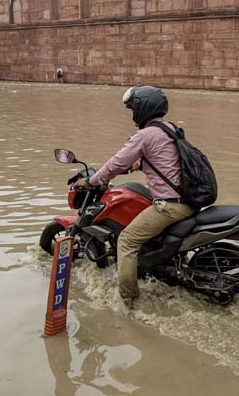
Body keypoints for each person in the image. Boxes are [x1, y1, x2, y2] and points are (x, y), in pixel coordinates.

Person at [75, 86, 194, 309]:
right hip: (189, 201)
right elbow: (163, 161)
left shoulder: (145, 135)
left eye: (133, 109)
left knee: (127, 241)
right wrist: (135, 166)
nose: (132, 115)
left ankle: (128, 298)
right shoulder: (170, 129)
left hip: (170, 206)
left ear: (143, 108)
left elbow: (115, 162)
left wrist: (91, 181)